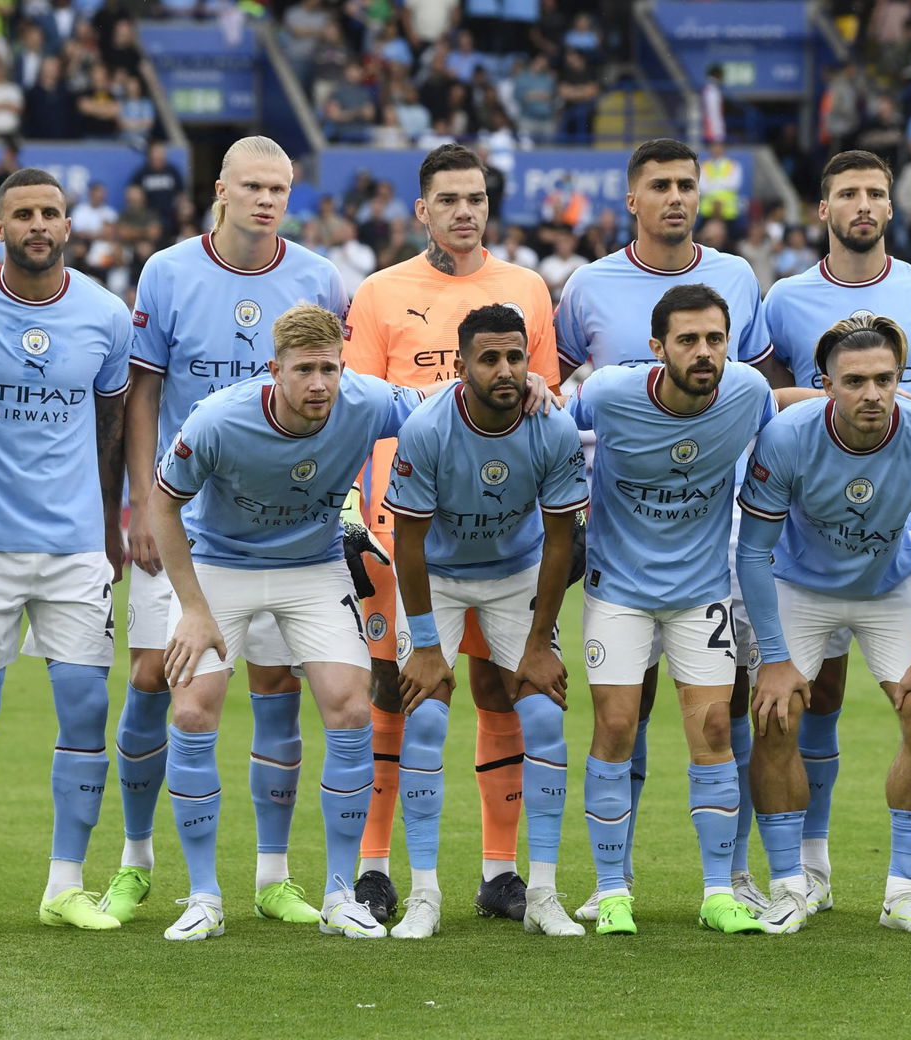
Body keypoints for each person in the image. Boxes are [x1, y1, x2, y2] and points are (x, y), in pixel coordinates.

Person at [113, 135, 348, 927]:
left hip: (283, 524)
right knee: (155, 675)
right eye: (251, 186)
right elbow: (142, 393)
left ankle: (274, 874)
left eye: (278, 188)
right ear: (221, 188)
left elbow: (336, 399)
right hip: (186, 522)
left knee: (279, 691)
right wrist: (144, 500)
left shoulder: (317, 277)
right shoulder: (169, 271)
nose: (265, 200)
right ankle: (137, 860)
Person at [554, 137, 781, 919]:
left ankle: (722, 889)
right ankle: (611, 887)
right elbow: (548, 413)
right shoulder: (608, 384)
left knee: (718, 721)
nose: (705, 351)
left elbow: (788, 412)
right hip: (616, 579)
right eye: (689, 340)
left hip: (705, 579)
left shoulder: (747, 381)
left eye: (715, 339)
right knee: (617, 723)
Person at [150, 303, 417, 941]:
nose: (319, 384)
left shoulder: (369, 400)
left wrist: (535, 392)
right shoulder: (218, 419)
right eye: (304, 371)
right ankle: (204, 897)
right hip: (219, 566)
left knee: (352, 710)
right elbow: (163, 505)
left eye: (329, 368)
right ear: (275, 370)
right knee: (191, 713)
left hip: (313, 564)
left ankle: (339, 894)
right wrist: (191, 607)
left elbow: (446, 407)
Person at [343, 144, 561, 925]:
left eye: (476, 197)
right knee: (396, 695)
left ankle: (501, 872)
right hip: (398, 528)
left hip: (501, 531)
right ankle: (373, 867)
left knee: (498, 689)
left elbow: (543, 404)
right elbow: (360, 406)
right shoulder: (379, 293)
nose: (465, 211)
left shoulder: (526, 290)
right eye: (449, 199)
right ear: (421, 210)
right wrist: (355, 516)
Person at [759, 149, 911, 923]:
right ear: (823, 207)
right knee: (808, 702)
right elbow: (760, 399)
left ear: (891, 205)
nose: (862, 204)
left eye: (875, 193)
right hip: (809, 528)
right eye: (847, 193)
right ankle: (804, 875)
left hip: (907, 529)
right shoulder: (784, 298)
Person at [0, 168, 131, 933]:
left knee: (85, 707)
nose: (38, 224)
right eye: (23, 214)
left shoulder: (107, 315)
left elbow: (109, 430)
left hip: (75, 545)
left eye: (50, 212)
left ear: (69, 226)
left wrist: (110, 529)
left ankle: (65, 885)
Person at [736, 314, 911, 935]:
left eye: (885, 379)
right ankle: (792, 884)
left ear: (900, 378)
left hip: (888, 587)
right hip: (799, 587)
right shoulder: (786, 436)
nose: (872, 393)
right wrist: (778, 657)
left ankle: (904, 892)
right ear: (826, 383)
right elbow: (753, 553)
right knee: (775, 714)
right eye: (855, 380)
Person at [384, 305, 588, 938]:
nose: (504, 370)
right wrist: (422, 645)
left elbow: (561, 542)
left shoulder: (551, 426)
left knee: (545, 717)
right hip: (438, 577)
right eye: (489, 358)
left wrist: (538, 645)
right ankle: (423, 895)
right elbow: (408, 544)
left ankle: (545, 894)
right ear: (463, 362)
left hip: (515, 574)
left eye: (515, 357)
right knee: (425, 717)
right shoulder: (427, 428)